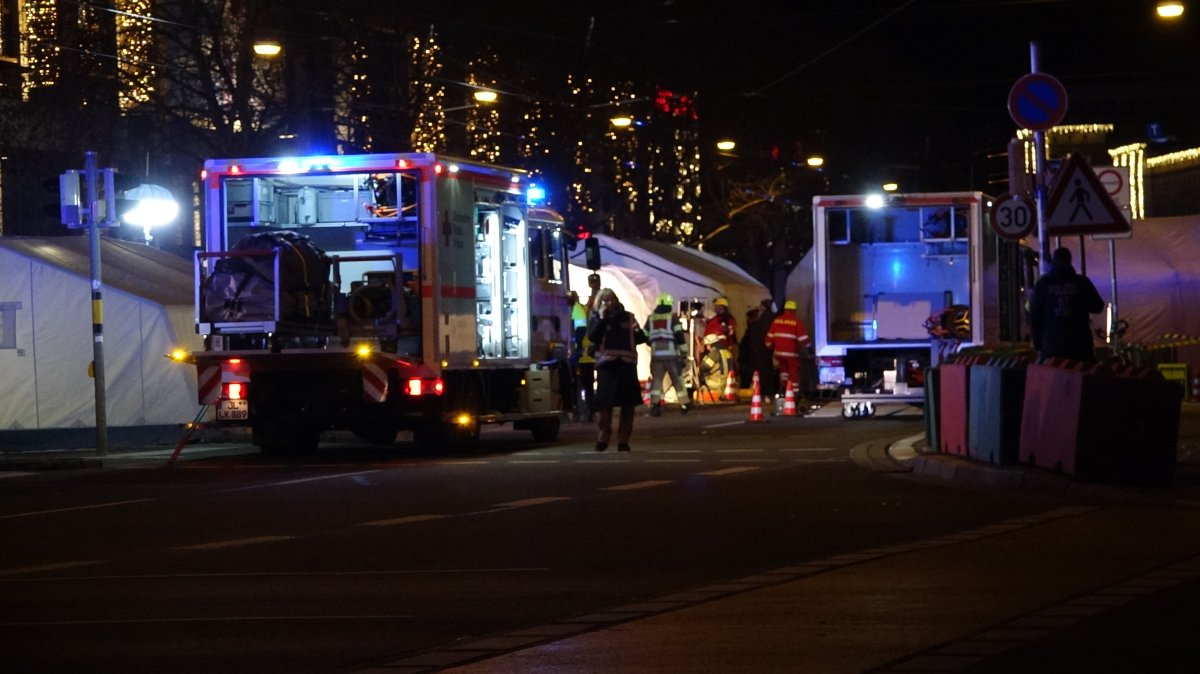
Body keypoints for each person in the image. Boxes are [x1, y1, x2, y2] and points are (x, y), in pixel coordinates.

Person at [587, 288, 648, 451]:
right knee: (604, 406)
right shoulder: (596, 318)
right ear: (599, 304)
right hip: (607, 366)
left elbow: (641, 337)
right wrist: (602, 318)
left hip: (627, 365)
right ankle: (603, 438)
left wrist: (636, 330)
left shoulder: (628, 317)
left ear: (617, 300)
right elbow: (592, 336)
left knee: (628, 406)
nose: (608, 303)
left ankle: (623, 441)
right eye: (604, 301)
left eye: (611, 299)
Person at [1029, 247, 1105, 362]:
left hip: (1052, 347)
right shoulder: (1081, 283)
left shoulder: (1043, 284)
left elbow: (1034, 316)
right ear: (1069, 261)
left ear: (1054, 261)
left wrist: (1038, 344)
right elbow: (1098, 306)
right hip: (1080, 346)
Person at [643, 292, 692, 416]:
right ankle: (684, 404)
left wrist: (653, 344)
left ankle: (655, 405)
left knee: (657, 381)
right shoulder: (672, 318)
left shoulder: (651, 318)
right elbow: (679, 337)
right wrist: (684, 354)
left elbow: (644, 335)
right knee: (677, 379)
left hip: (656, 356)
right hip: (671, 356)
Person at [765, 299, 810, 399]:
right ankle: (794, 394)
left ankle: (784, 389)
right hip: (791, 353)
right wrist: (809, 347)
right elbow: (803, 338)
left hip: (779, 353)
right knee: (793, 373)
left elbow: (769, 336)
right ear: (794, 310)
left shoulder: (777, 320)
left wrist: (768, 344)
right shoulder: (796, 322)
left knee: (783, 371)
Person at [740, 299, 778, 398]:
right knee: (767, 372)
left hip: (761, 351)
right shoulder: (771, 318)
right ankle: (767, 391)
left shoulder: (762, 321)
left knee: (762, 373)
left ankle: (765, 391)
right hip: (766, 351)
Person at [568, 290, 595, 422]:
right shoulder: (580, 309)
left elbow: (580, 330)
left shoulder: (577, 310)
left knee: (582, 385)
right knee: (585, 386)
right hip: (585, 356)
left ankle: (587, 410)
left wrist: (575, 348)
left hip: (583, 356)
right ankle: (588, 410)